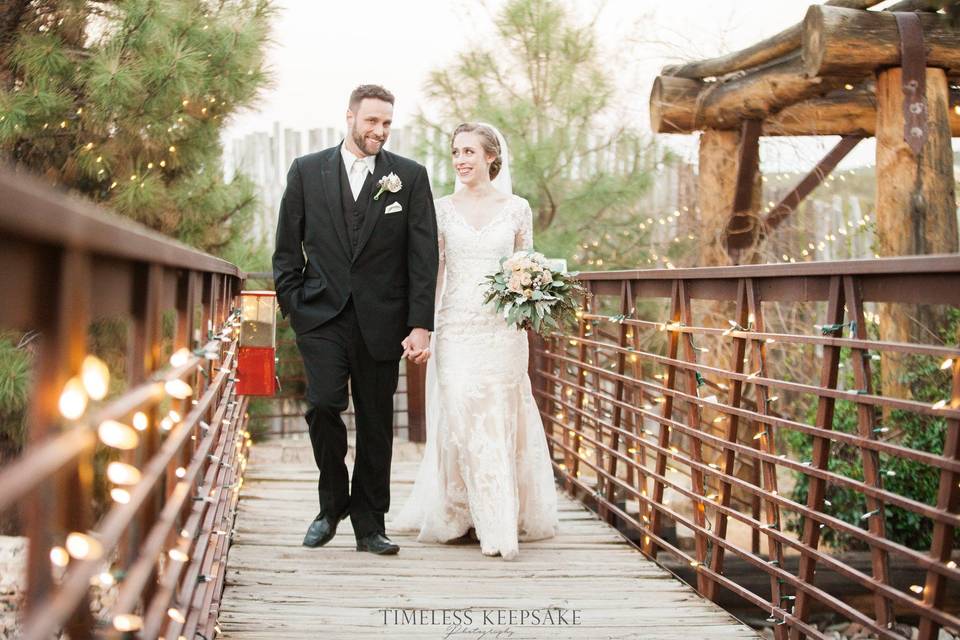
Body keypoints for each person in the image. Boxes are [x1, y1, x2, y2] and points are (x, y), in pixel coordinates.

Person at [272, 84, 438, 555]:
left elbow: (421, 258)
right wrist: (295, 306)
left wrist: (419, 323)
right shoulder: (307, 171)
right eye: (372, 122)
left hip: (382, 320)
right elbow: (287, 248)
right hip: (321, 316)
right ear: (350, 117)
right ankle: (330, 506)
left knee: (376, 419)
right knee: (323, 406)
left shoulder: (409, 177)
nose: (380, 131)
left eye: (387, 123)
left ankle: (370, 524)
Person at [392, 123, 558, 560]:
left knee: (501, 418)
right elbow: (434, 272)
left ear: (491, 157)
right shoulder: (441, 209)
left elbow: (526, 266)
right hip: (458, 329)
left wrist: (531, 295)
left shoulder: (517, 208)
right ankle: (461, 514)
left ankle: (500, 518)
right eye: (455, 152)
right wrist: (422, 326)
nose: (461, 160)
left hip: (502, 333)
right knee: (463, 416)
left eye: (469, 151)